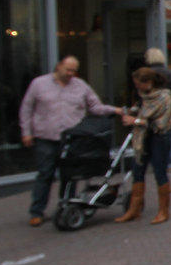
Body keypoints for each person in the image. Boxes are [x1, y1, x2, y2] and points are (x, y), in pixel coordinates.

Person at [19, 56, 122, 226]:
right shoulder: (38, 84)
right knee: (45, 173)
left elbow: (95, 106)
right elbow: (26, 109)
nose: (70, 74)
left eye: (73, 71)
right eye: (68, 70)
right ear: (58, 66)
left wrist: (116, 111)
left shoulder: (80, 85)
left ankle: (67, 206)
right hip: (46, 137)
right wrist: (26, 132)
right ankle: (37, 211)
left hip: (72, 139)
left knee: (70, 175)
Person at [115, 66, 171, 225]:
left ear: (149, 82)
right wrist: (131, 111)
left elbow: (161, 124)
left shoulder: (165, 97)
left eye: (138, 84)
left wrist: (135, 121)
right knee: (137, 170)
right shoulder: (142, 95)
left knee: (159, 172)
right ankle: (134, 209)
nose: (136, 87)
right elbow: (141, 109)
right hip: (143, 136)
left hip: (160, 136)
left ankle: (164, 211)